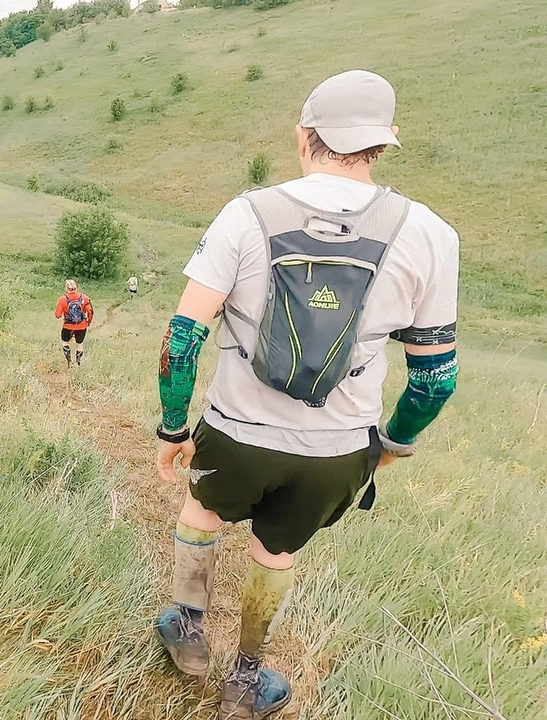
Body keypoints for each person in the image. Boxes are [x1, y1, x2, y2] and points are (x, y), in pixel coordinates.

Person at [153, 70, 459, 719]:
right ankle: (245, 680)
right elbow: (435, 379)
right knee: (278, 550)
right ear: (385, 142)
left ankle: (188, 630)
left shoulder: (247, 214)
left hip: (235, 435)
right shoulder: (431, 233)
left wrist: (174, 429)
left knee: (202, 512)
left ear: (303, 137)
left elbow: (182, 338)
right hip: (337, 449)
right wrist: (392, 446)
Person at [54, 278, 94, 368]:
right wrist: (88, 321)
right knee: (79, 344)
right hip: (81, 326)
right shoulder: (85, 298)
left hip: (68, 326)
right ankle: (78, 364)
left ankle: (69, 362)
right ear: (77, 287)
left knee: (65, 342)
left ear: (66, 288)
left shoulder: (62, 299)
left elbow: (57, 315)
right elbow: (90, 311)